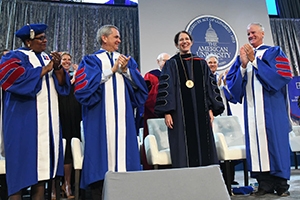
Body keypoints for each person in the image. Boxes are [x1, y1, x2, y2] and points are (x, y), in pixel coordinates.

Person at [74, 24, 148, 199]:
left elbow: (140, 88)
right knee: (101, 159)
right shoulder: (91, 60)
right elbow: (83, 88)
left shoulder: (126, 60)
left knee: (125, 160)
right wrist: (111, 71)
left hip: (123, 117)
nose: (119, 40)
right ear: (104, 38)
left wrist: (126, 71)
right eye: (116, 37)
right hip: (99, 117)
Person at [0, 23, 70, 200]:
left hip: (47, 123)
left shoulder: (47, 57)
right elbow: (12, 80)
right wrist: (44, 69)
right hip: (23, 122)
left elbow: (62, 85)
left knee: (42, 173)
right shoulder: (14, 56)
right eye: (40, 38)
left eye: (45, 37)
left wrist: (57, 67)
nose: (45, 41)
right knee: (19, 173)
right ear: (28, 42)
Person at [226, 22, 292, 196]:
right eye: (248, 34)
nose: (250, 36)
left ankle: (281, 184)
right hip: (252, 112)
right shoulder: (244, 55)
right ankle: (264, 183)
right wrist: (242, 65)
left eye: (253, 32)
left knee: (276, 144)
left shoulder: (274, 52)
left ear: (262, 34)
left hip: (272, 110)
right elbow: (233, 85)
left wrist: (255, 62)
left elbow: (281, 77)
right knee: (256, 146)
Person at [154, 30, 224, 168]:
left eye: (187, 39)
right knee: (182, 145)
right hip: (179, 113)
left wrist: (211, 108)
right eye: (181, 40)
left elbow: (209, 87)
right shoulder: (171, 64)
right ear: (176, 44)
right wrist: (167, 112)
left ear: (191, 42)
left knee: (205, 146)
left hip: (201, 112)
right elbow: (166, 89)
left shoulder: (201, 63)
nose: (184, 42)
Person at [205, 54, 240, 185]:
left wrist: (224, 85)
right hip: (211, 119)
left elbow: (232, 98)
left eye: (214, 62)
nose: (212, 64)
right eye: (210, 62)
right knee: (213, 149)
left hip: (225, 119)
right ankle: (215, 180)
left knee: (227, 148)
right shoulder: (203, 79)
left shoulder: (223, 78)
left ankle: (229, 179)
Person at [51, 52, 81, 199]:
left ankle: (67, 184)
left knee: (69, 149)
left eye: (69, 59)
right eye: (64, 59)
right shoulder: (56, 77)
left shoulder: (76, 77)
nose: (67, 61)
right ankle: (54, 187)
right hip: (59, 115)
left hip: (73, 117)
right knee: (57, 150)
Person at [141, 52, 170, 170]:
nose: (166, 63)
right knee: (154, 146)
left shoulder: (174, 76)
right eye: (164, 60)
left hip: (171, 117)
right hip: (154, 117)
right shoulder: (150, 76)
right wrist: (163, 109)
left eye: (169, 61)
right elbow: (146, 97)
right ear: (158, 62)